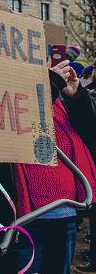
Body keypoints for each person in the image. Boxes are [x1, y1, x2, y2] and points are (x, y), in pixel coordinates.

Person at [0, 65, 96, 274]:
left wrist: (76, 96)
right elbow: (23, 115)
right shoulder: (3, 94)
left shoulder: (58, 101)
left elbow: (89, 129)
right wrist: (50, 84)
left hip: (64, 216)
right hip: (21, 222)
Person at [54, 59, 96, 273]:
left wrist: (76, 96)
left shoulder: (67, 98)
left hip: (64, 211)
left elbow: (88, 131)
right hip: (26, 215)